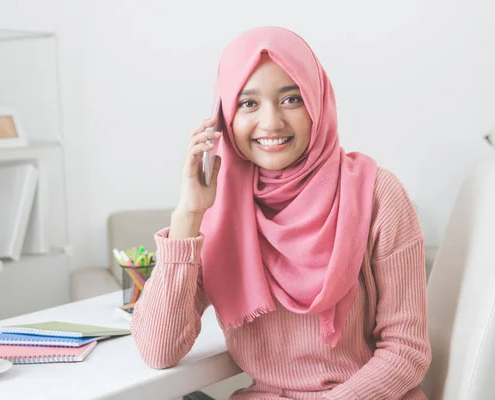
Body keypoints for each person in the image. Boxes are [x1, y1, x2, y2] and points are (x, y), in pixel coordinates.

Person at [131, 26, 431, 400]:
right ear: (224, 116)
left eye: (291, 99)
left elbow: (407, 352)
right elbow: (159, 350)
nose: (271, 122)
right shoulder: (219, 211)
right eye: (248, 103)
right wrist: (187, 215)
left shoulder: (376, 194)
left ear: (317, 104)